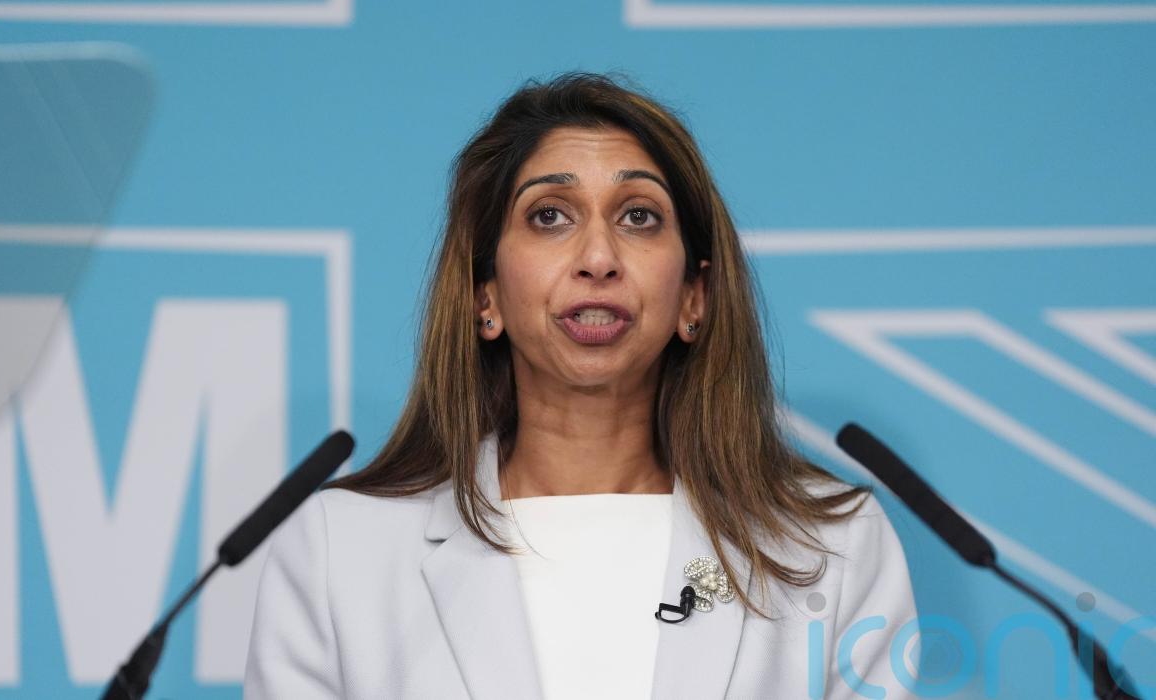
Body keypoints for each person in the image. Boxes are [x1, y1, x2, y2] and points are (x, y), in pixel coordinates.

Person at [243, 73, 917, 699]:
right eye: (550, 216)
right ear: (484, 295)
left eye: (638, 216)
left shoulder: (831, 545)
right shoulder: (341, 552)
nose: (598, 258)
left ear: (695, 296)